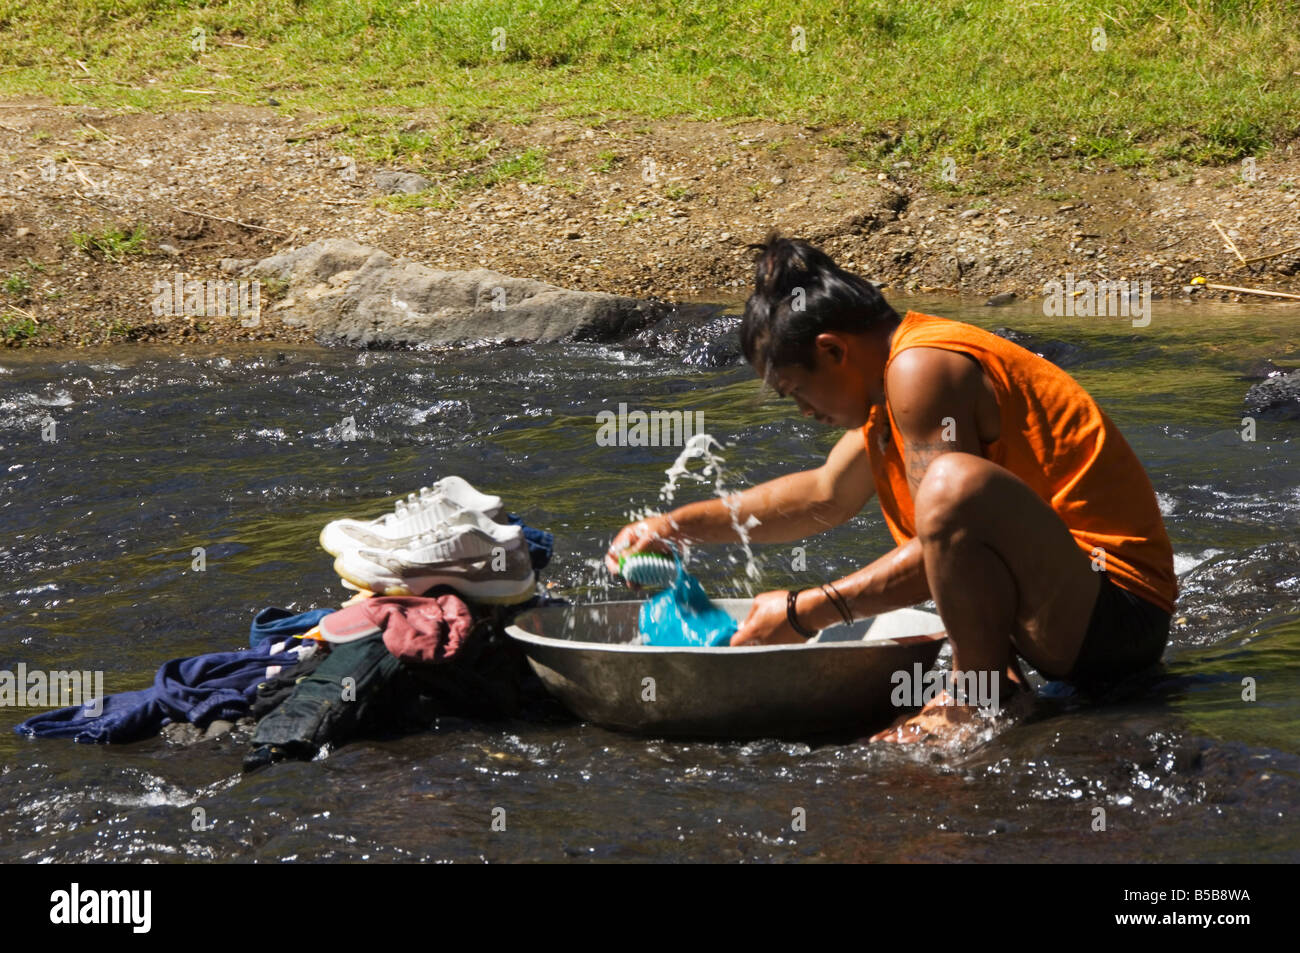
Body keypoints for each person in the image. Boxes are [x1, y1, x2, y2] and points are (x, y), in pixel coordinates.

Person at [605, 230, 1177, 742]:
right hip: (1062, 614)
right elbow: (822, 495)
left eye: (795, 391)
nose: (802, 411)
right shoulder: (886, 390)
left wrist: (805, 613)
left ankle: (980, 695)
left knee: (953, 487)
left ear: (833, 350)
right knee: (949, 492)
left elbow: (948, 524)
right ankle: (996, 677)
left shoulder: (920, 367)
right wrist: (673, 528)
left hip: (1115, 621)